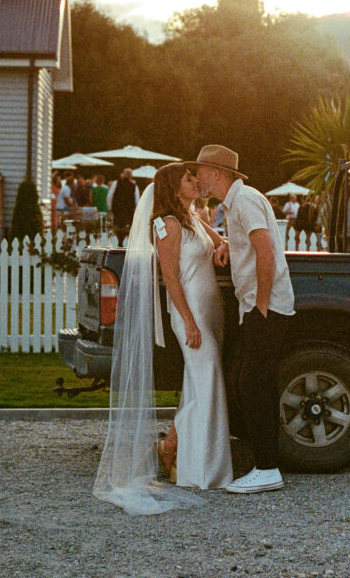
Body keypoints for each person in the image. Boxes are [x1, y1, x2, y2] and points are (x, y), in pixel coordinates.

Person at [93, 163, 232, 515]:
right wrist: (188, 321)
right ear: (173, 188)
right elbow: (170, 279)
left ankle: (171, 449)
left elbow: (220, 242)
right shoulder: (167, 225)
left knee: (198, 385)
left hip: (210, 306)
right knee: (208, 381)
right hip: (190, 312)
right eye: (189, 179)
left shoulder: (191, 217)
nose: (196, 182)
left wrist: (220, 248)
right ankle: (197, 468)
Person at [192, 145, 295, 495]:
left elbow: (265, 251)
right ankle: (265, 461)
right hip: (257, 305)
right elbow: (251, 247)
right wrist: (227, 247)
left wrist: (261, 305)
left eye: (202, 172)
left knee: (253, 384)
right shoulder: (236, 203)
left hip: (264, 306)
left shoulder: (246, 201)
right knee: (246, 381)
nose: (198, 178)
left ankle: (268, 469)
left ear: (218, 173)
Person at [108, 167, 140, 246]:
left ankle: (118, 243)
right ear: (131, 176)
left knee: (117, 227)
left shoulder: (116, 183)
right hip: (128, 211)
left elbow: (110, 196)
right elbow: (137, 199)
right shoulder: (134, 185)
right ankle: (125, 244)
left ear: (123, 175)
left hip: (117, 209)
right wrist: (136, 210)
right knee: (127, 227)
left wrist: (110, 207)